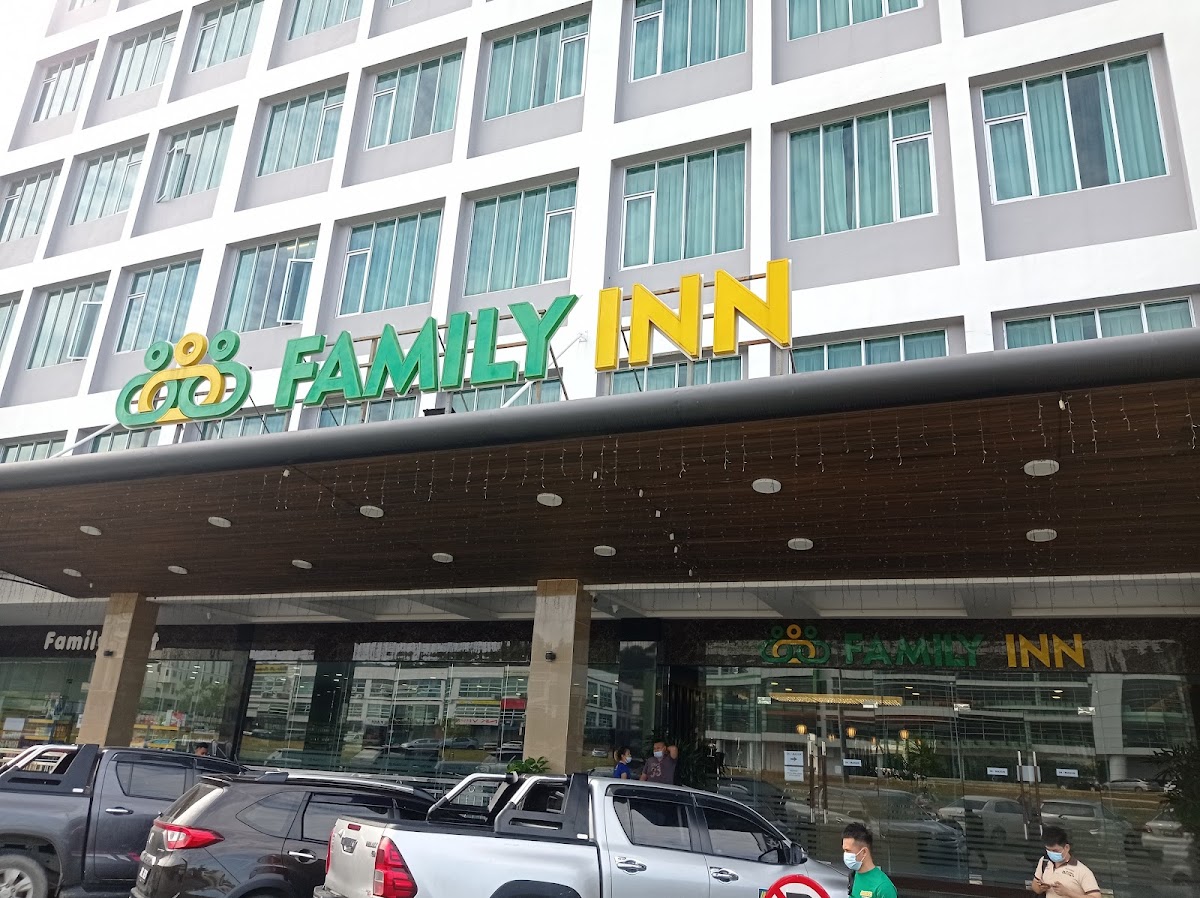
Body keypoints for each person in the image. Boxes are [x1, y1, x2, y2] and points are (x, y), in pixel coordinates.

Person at [1031, 826, 1101, 897]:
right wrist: (1040, 888)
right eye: (1048, 850)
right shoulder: (1044, 862)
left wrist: (1068, 893)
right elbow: (1035, 885)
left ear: (1067, 848)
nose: (1051, 853)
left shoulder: (1082, 871)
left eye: (1055, 851)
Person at [842, 823, 897, 898]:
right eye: (844, 850)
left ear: (864, 852)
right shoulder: (853, 876)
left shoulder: (883, 886)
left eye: (848, 850)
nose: (845, 854)